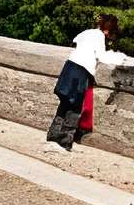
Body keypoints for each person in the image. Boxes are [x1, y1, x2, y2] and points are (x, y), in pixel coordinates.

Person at [47, 14, 127, 150]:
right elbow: (101, 56)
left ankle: (53, 134)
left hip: (70, 66)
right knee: (75, 107)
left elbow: (75, 40)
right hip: (81, 71)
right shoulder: (99, 36)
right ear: (108, 31)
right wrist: (118, 58)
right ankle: (65, 139)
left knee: (65, 103)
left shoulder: (88, 32)